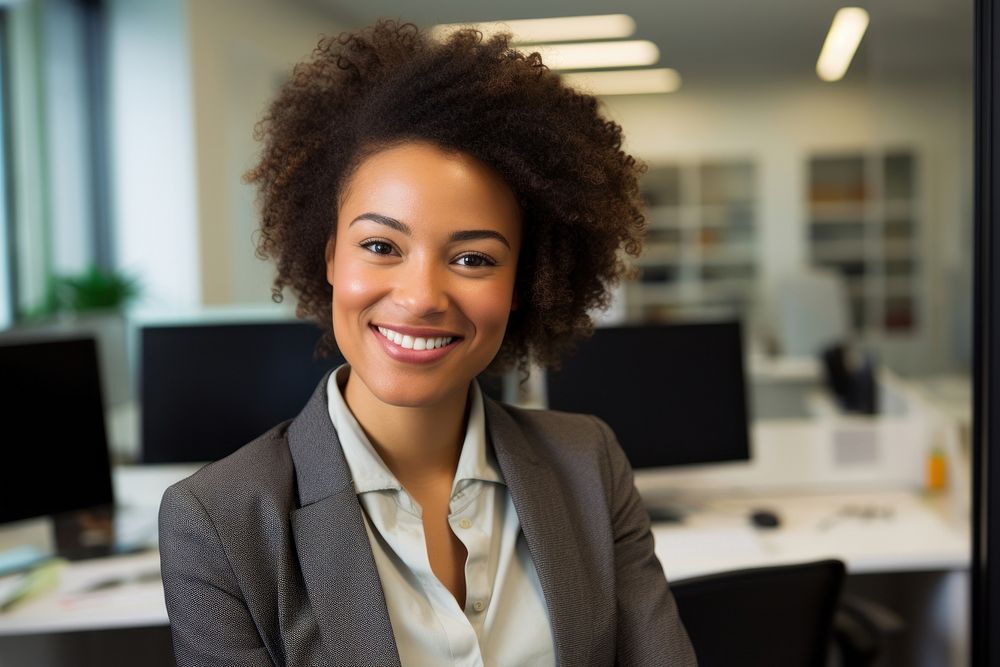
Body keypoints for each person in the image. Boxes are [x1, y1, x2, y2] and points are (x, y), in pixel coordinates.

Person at [159, 20, 696, 667]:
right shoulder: (218, 521)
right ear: (330, 254)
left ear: (525, 282)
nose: (421, 296)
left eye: (473, 258)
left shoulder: (588, 463)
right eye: (381, 246)